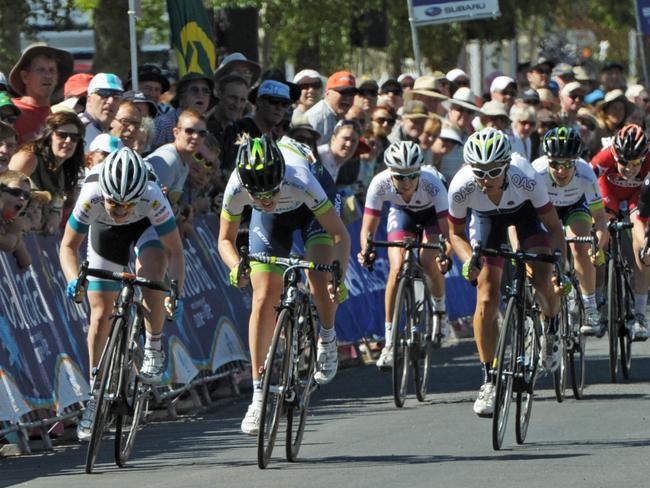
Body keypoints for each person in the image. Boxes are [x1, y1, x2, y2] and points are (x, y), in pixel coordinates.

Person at [217, 135, 350, 435]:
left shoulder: (301, 178)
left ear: (280, 177)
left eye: (271, 190)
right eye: (257, 194)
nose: (265, 199)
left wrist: (337, 275)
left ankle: (327, 336)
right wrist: (236, 266)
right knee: (263, 297)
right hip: (270, 223)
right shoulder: (236, 186)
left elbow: (340, 235)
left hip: (311, 213)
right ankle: (258, 394)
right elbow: (225, 240)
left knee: (318, 277)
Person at [58, 147, 185, 440]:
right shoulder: (91, 194)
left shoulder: (153, 195)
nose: (121, 211)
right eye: (115, 203)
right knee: (101, 313)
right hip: (105, 233)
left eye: (128, 205)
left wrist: (175, 291)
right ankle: (95, 396)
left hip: (146, 229)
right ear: (104, 193)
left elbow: (175, 250)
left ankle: (153, 344)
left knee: (152, 275)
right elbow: (67, 246)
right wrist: (72, 279)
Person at [447, 128, 567, 417]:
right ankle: (489, 378)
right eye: (480, 172)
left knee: (541, 278)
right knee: (486, 298)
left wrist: (557, 264)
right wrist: (467, 261)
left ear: (507, 166)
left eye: (494, 172)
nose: (486, 179)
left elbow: (553, 228)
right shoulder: (461, 186)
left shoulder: (525, 177)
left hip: (526, 218)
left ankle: (550, 329)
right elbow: (456, 233)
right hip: (489, 224)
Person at [357, 141, 451, 368]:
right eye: (400, 177)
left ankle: (440, 311)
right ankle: (390, 344)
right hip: (402, 214)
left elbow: (448, 234)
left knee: (429, 259)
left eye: (412, 176)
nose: (407, 182)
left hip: (432, 216)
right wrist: (366, 250)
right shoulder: (379, 183)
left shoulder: (433, 183)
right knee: (396, 269)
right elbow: (367, 229)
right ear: (390, 172)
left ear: (420, 171)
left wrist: (445, 254)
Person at [532, 128, 609, 335]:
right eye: (555, 163)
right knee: (545, 256)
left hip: (575, 207)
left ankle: (589, 305)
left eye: (567, 163)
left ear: (575, 161)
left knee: (581, 247)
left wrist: (598, 246)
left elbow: (600, 219)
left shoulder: (585, 173)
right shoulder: (535, 172)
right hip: (547, 210)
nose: (560, 170)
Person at [590, 124, 650, 340]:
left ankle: (640, 315)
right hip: (608, 193)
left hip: (639, 195)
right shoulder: (604, 156)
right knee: (600, 234)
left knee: (641, 241)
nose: (628, 168)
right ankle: (596, 303)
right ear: (614, 154)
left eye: (635, 163)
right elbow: (585, 179)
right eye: (623, 161)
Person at [9, 111, 85, 233]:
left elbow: (57, 208)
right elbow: (5, 195)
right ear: (49, 136)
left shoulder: (63, 171)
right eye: (62, 135)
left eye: (74, 137)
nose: (68, 141)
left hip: (34, 238)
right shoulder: (28, 159)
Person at [8, 43, 73, 144]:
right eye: (41, 70)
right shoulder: (9, 112)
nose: (47, 76)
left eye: (52, 70)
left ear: (57, 79)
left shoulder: (60, 117)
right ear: (25, 77)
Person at [146, 109, 207, 209]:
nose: (196, 136)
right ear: (176, 132)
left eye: (202, 133)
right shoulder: (167, 161)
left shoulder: (184, 164)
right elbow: (149, 206)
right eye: (189, 131)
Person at [306, 70, 358, 145]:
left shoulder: (338, 115)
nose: (347, 97)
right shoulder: (317, 117)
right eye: (343, 92)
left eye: (351, 94)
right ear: (327, 93)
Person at [80, 73, 124, 150]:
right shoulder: (77, 129)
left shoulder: (117, 136)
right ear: (89, 99)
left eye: (116, 96)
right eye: (104, 94)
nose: (110, 101)